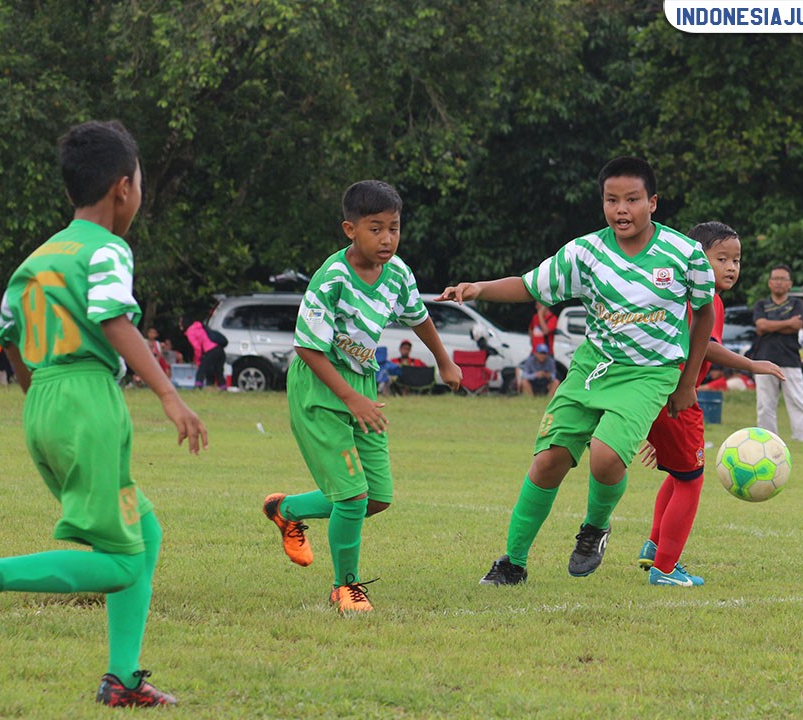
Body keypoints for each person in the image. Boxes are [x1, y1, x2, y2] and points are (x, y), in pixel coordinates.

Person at [0, 120, 207, 707]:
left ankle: (122, 680)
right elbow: (113, 319)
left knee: (143, 530)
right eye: (141, 183)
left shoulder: (39, 257)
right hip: (87, 399)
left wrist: (42, 404)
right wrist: (169, 395)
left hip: (42, 401)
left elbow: (11, 339)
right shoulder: (107, 249)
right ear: (124, 187)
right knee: (122, 564)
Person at [440, 156, 716, 586]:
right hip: (592, 368)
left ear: (653, 203)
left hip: (649, 373)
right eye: (612, 200)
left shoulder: (684, 254)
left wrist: (687, 383)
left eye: (632, 199)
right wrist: (479, 288)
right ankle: (513, 562)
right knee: (549, 461)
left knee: (606, 458)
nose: (621, 209)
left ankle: (594, 528)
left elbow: (703, 315)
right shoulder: (585, 252)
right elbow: (531, 285)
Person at [262, 180, 462, 615]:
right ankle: (345, 587)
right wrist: (351, 398)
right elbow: (308, 348)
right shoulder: (331, 277)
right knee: (351, 498)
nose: (387, 238)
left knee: (375, 498)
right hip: (322, 388)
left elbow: (419, 317)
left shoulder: (398, 273)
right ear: (350, 229)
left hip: (362, 386)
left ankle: (286, 509)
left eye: (394, 228)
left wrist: (443, 360)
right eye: (376, 229)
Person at [637, 221, 785, 588]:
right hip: (677, 396)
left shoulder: (677, 294)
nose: (732, 267)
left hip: (657, 392)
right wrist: (752, 364)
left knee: (679, 471)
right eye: (721, 258)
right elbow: (704, 345)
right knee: (691, 480)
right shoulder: (704, 299)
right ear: (696, 259)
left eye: (736, 259)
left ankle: (655, 546)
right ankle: (666, 569)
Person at [751, 265, 803, 454]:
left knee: (798, 400)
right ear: (769, 282)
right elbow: (760, 326)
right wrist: (786, 324)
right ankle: (768, 445)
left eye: (783, 279)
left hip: (790, 359)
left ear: (790, 284)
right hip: (763, 359)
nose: (778, 282)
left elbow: (797, 325)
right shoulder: (761, 305)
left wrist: (772, 326)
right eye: (775, 278)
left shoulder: (796, 304)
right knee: (765, 404)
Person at [180, 317, 226, 389]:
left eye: (180, 322)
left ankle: (198, 386)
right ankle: (223, 387)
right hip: (219, 349)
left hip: (210, 350)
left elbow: (197, 348)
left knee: (201, 369)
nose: (179, 324)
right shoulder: (200, 327)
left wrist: (197, 360)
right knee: (218, 370)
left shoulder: (190, 332)